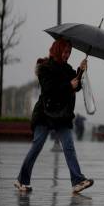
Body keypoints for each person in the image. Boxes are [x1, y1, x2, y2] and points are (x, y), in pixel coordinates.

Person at [14, 38, 94, 193]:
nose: (67, 55)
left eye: (69, 52)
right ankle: (21, 180)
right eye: (65, 52)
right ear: (57, 50)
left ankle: (77, 180)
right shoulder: (45, 68)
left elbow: (75, 85)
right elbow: (49, 90)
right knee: (37, 145)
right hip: (45, 113)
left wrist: (81, 70)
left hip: (62, 115)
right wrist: (68, 86)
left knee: (69, 146)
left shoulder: (67, 68)